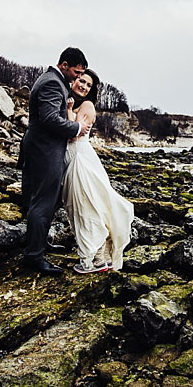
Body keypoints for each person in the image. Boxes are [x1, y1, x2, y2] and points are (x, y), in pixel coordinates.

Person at [20, 47, 93, 275]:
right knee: (43, 202)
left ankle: (39, 244)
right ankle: (34, 256)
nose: (78, 77)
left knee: (42, 200)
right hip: (44, 150)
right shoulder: (52, 83)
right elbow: (50, 118)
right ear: (64, 65)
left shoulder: (52, 80)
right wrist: (77, 127)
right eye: (76, 72)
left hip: (41, 148)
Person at [62, 69, 135, 273]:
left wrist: (68, 110)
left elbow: (74, 135)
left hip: (80, 158)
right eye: (81, 81)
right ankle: (102, 255)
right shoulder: (75, 102)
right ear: (74, 79)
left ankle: (96, 259)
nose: (83, 86)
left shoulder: (87, 106)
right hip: (75, 157)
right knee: (85, 203)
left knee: (85, 205)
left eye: (88, 85)